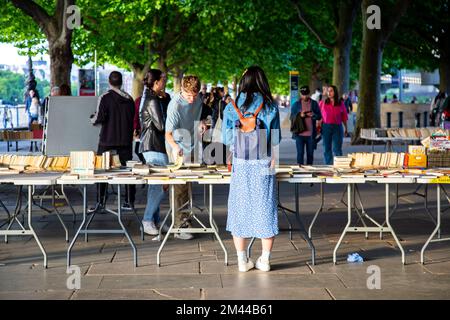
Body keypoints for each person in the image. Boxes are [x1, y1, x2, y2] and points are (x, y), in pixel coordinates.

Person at [222, 65, 281, 272]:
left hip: (241, 162)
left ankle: (242, 261)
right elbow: (276, 138)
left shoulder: (233, 105)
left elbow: (226, 137)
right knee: (265, 206)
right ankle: (264, 260)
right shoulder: (270, 105)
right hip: (263, 161)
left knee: (240, 207)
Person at [165, 75, 208, 240]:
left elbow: (197, 117)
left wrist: (202, 122)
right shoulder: (175, 106)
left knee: (188, 186)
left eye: (194, 96)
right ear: (182, 90)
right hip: (176, 146)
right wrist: (176, 148)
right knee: (179, 187)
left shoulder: (198, 98)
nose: (192, 99)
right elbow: (168, 134)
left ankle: (184, 220)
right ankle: (179, 226)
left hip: (192, 144)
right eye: (188, 95)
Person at [89, 71, 136, 213]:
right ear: (121, 82)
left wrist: (91, 118)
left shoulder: (105, 97)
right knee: (128, 170)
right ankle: (129, 201)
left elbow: (99, 118)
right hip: (125, 140)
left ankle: (101, 202)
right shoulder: (129, 99)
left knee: (101, 170)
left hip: (107, 140)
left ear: (109, 82)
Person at [139, 69, 171, 235]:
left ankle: (154, 221)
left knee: (158, 185)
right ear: (157, 82)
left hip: (154, 146)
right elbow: (161, 125)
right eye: (163, 79)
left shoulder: (152, 97)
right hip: (153, 145)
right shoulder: (152, 100)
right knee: (159, 186)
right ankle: (147, 219)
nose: (165, 83)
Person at [290, 85, 322, 165]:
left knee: (310, 155)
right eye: (303, 94)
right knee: (300, 154)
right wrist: (300, 115)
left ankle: (309, 172)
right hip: (299, 134)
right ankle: (299, 172)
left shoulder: (314, 104)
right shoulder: (296, 104)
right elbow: (291, 117)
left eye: (306, 94)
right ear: (300, 94)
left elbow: (319, 116)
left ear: (309, 93)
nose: (305, 96)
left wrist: (313, 115)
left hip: (311, 134)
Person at [319, 85, 348, 165]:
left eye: (331, 91)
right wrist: (318, 125)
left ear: (335, 92)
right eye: (328, 91)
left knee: (337, 149)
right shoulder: (323, 103)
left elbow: (344, 117)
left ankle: (339, 166)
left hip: (337, 127)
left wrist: (346, 128)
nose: (329, 92)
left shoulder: (340, 103)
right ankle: (328, 166)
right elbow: (318, 115)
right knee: (327, 148)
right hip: (326, 127)